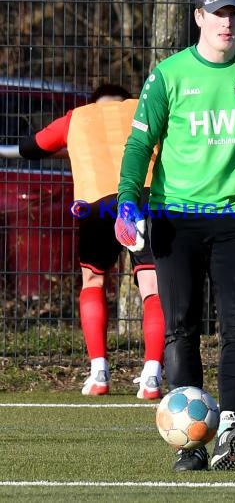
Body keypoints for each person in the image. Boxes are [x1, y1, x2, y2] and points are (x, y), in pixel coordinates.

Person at [115, 0, 235, 472]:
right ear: (198, 17)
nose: (227, 21)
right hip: (174, 217)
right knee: (181, 329)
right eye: (217, 13)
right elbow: (138, 146)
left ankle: (231, 428)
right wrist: (127, 202)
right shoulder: (168, 75)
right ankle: (190, 443)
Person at [18, 84, 165, 399]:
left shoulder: (79, 117)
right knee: (153, 287)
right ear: (125, 100)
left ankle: (99, 372)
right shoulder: (142, 108)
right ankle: (152, 374)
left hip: (97, 202)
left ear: (94, 103)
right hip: (146, 197)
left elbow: (30, 148)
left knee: (94, 280)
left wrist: (73, 146)